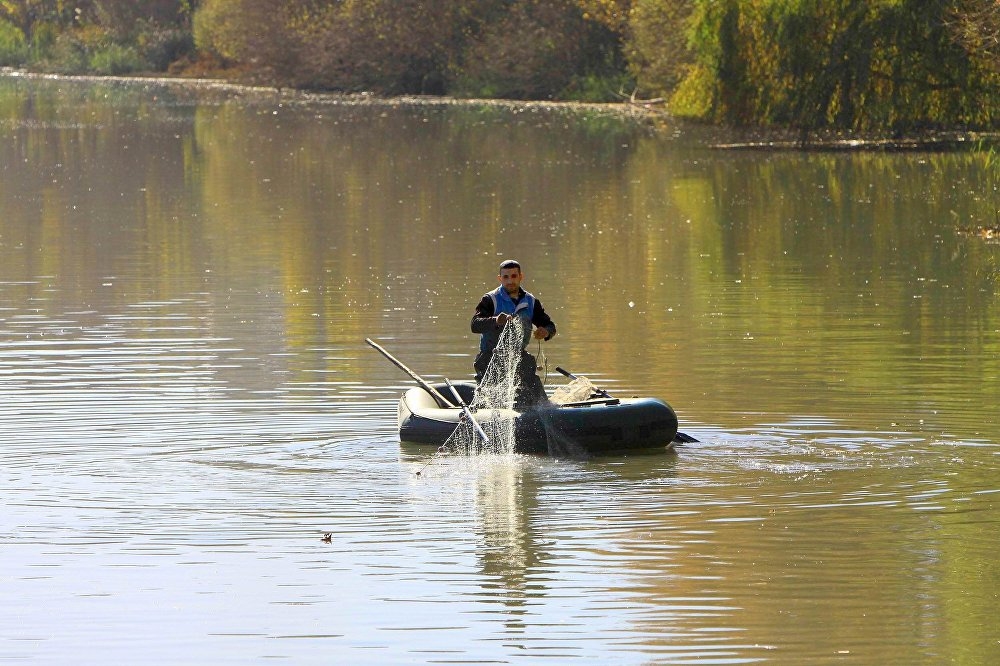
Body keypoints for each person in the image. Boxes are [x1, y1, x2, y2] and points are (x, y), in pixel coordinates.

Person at [471, 259, 556, 408]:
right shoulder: (490, 299)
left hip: (519, 356)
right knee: (490, 402)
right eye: (506, 277)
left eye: (514, 276)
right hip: (490, 357)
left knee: (537, 398)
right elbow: (475, 325)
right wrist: (496, 320)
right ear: (500, 279)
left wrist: (546, 331)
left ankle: (538, 412)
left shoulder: (531, 301)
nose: (510, 281)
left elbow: (550, 326)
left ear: (520, 277)